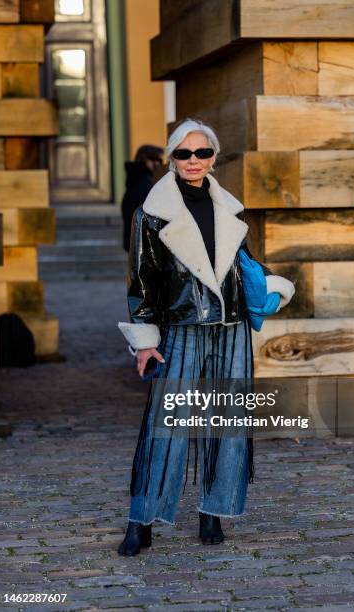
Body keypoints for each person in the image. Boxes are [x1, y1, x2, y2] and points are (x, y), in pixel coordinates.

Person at [118, 119, 295, 556]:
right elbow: (142, 281)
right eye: (183, 153)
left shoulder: (230, 210)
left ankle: (212, 513)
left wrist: (273, 287)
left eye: (201, 153)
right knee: (166, 426)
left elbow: (245, 264)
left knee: (227, 424)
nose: (193, 161)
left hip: (230, 328)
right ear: (171, 158)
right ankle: (142, 520)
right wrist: (145, 340)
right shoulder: (150, 213)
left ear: (213, 157)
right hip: (181, 327)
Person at [121, 144, 164, 253]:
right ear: (147, 160)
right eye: (157, 159)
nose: (159, 164)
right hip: (143, 245)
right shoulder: (145, 183)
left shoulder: (135, 178)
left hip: (135, 241)